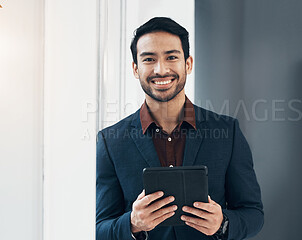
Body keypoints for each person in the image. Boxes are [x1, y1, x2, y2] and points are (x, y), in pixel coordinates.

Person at [96, 17, 264, 240]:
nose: (161, 69)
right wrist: (132, 223)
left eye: (171, 57)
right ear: (136, 69)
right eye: (149, 59)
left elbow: (253, 214)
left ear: (188, 64)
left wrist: (222, 223)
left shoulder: (228, 132)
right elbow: (99, 228)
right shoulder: (111, 141)